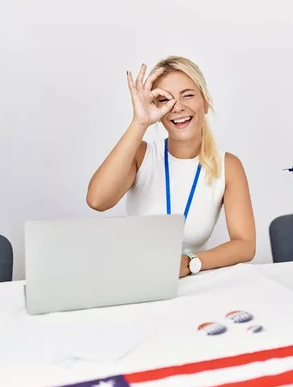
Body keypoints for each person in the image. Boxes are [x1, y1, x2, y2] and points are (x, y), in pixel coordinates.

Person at [86, 56, 256, 278]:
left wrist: (190, 263)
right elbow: (97, 200)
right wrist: (140, 123)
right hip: (134, 278)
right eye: (166, 100)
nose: (178, 107)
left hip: (189, 286)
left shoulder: (227, 166)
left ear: (205, 103)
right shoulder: (141, 155)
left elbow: (245, 245)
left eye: (188, 95)